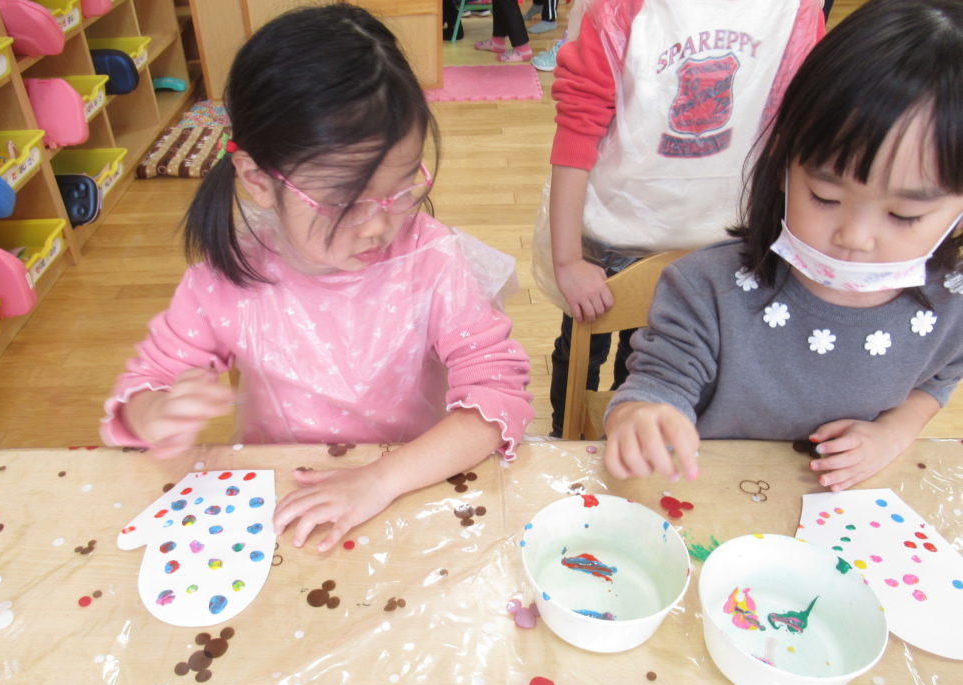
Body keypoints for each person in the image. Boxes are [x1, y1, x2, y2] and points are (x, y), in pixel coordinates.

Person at [100, 4, 534, 551]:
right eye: (346, 202)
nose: (378, 225)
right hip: (286, 503)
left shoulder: (430, 261)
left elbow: (497, 399)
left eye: (401, 188)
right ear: (258, 180)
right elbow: (145, 387)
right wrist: (157, 413)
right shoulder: (227, 278)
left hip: (411, 488)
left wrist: (380, 480)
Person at [603, 0, 963, 492]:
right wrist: (641, 415)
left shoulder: (952, 303)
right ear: (782, 165)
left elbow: (939, 377)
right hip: (710, 498)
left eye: (904, 214)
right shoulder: (705, 288)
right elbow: (659, 383)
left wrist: (895, 432)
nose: (854, 238)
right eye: (825, 196)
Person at [532, 0, 825, 437]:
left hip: (719, 240)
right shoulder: (622, 8)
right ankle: (566, 437)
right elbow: (579, 124)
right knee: (582, 348)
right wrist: (567, 260)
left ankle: (622, 435)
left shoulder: (794, 11)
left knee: (651, 359)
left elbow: (795, 129)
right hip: (614, 226)